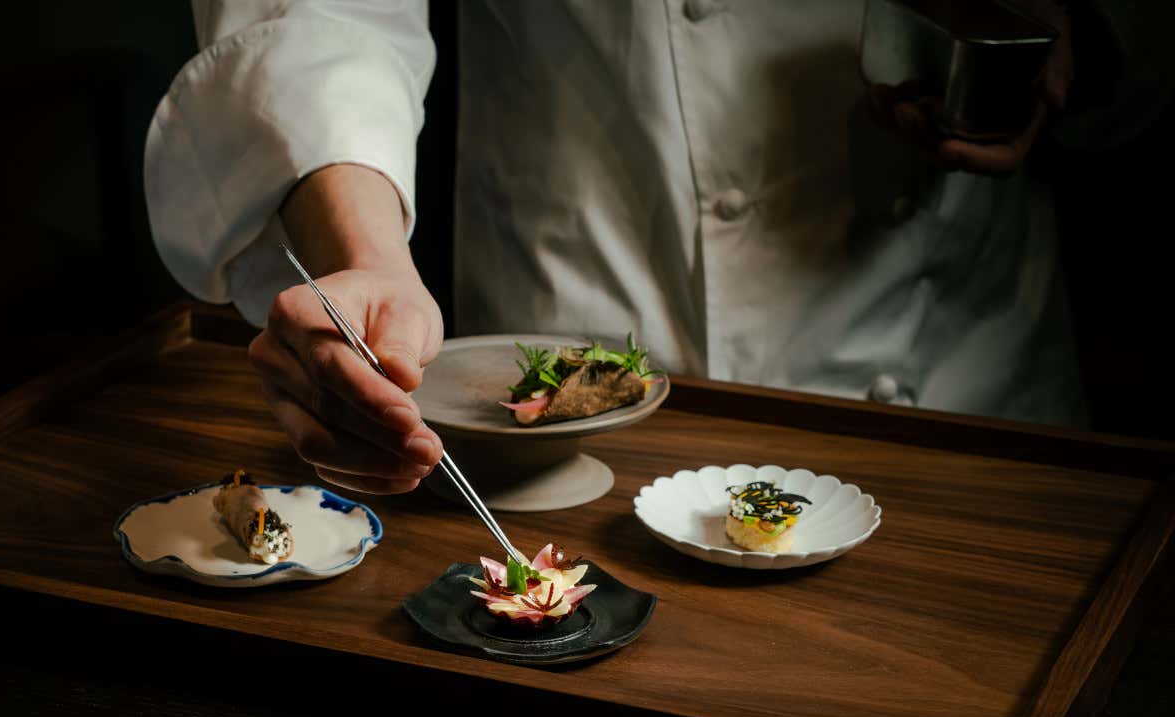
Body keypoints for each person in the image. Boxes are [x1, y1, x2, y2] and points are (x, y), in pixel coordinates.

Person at [143, 1, 1150, 495]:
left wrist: (1066, 42)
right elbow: (326, 6)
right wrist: (363, 249)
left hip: (959, 388)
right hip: (564, 368)